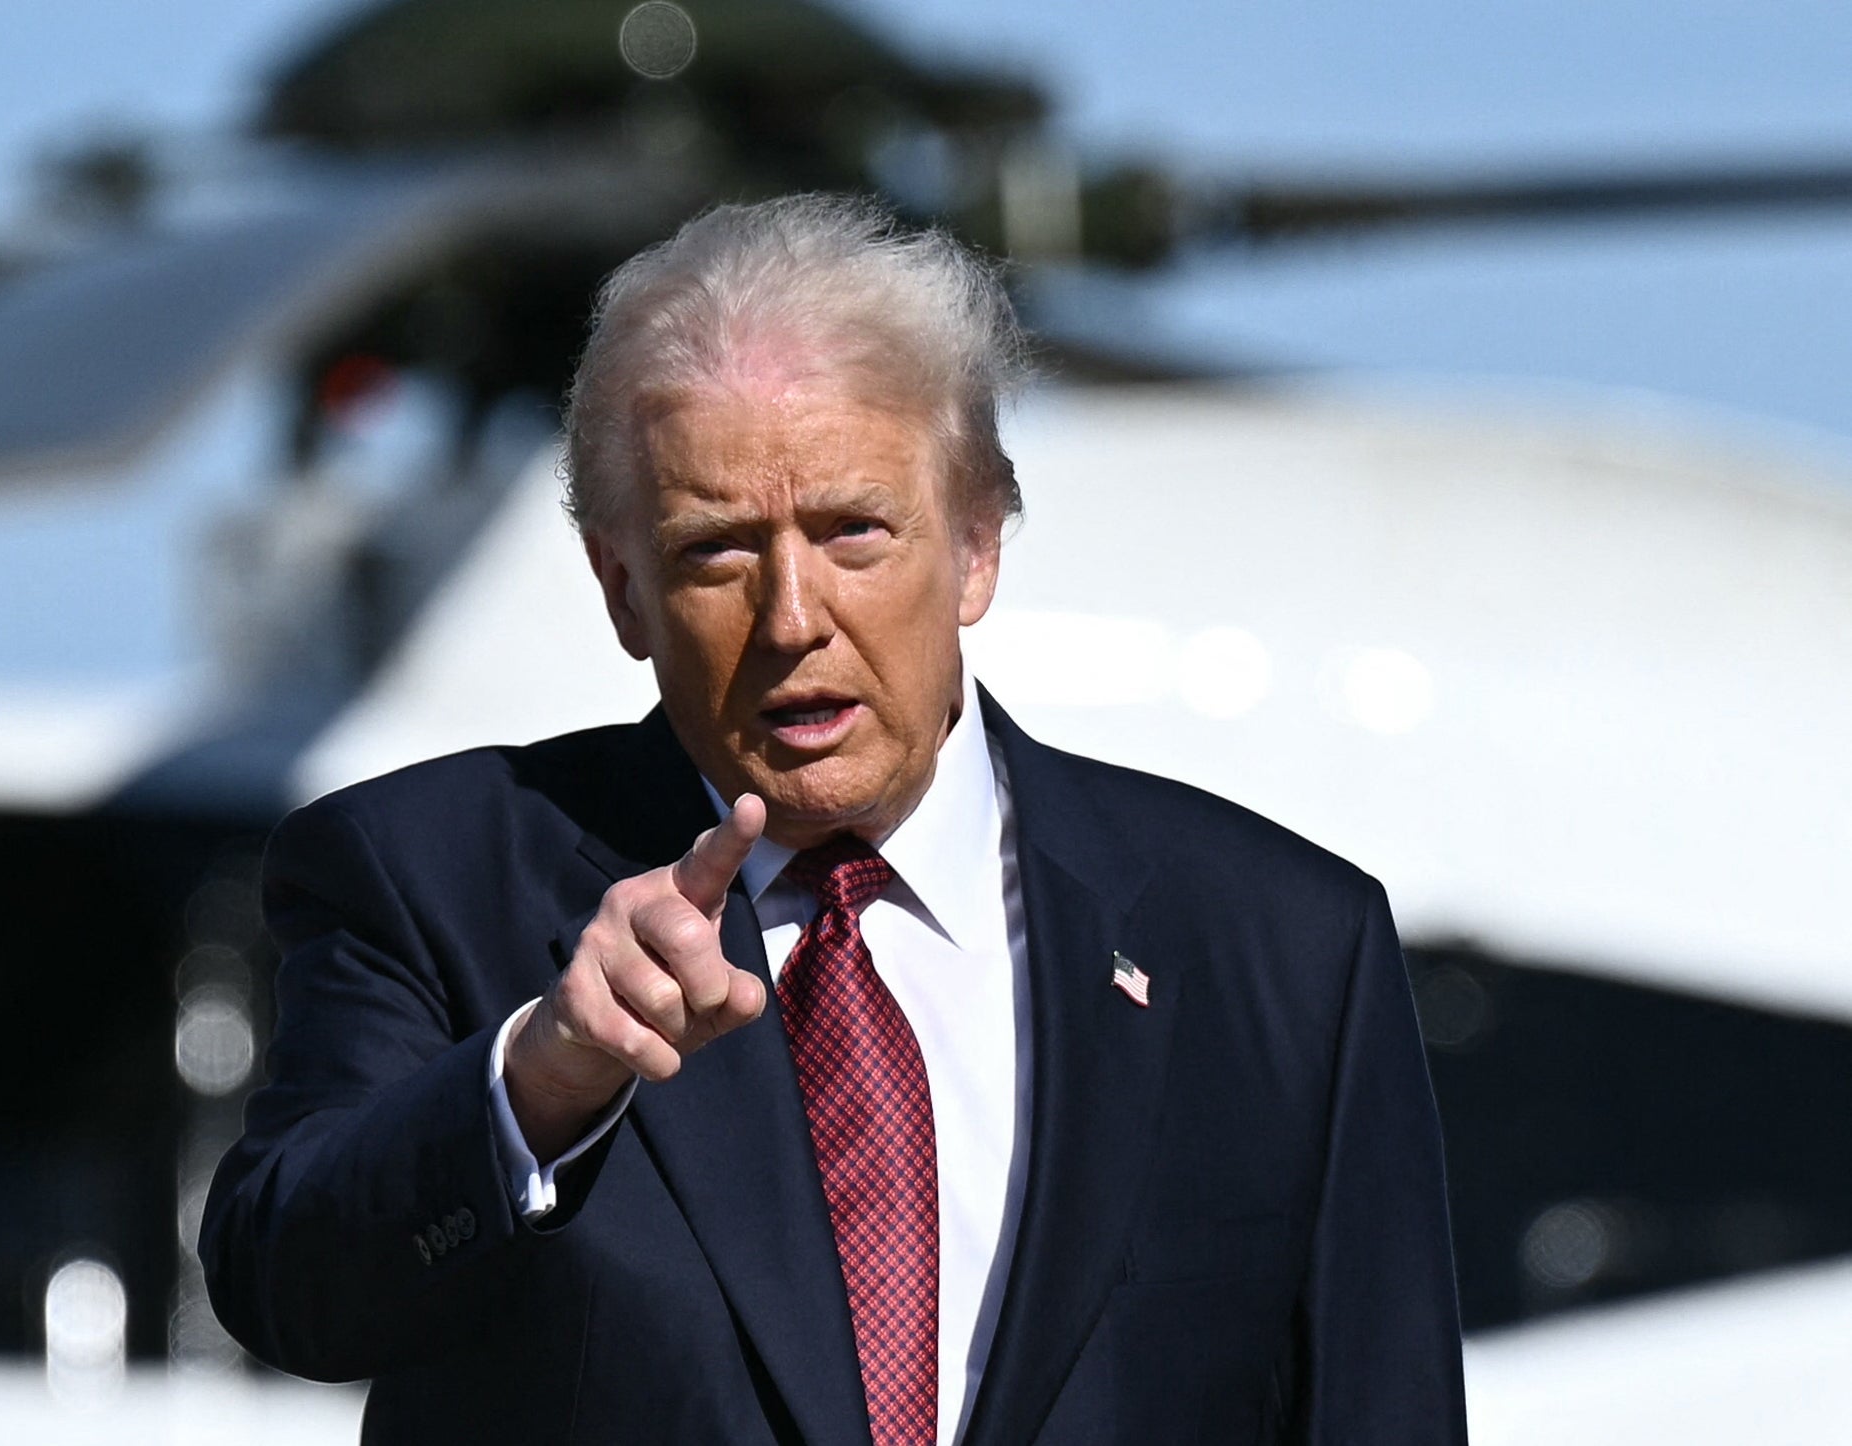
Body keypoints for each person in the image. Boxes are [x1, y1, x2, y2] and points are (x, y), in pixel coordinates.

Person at [200, 194, 1467, 1445]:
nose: (792, 615)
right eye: (716, 552)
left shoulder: (1279, 948)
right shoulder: (426, 876)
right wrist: (538, 1081)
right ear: (622, 591)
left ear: (975, 547)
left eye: (853, 531)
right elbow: (287, 1290)